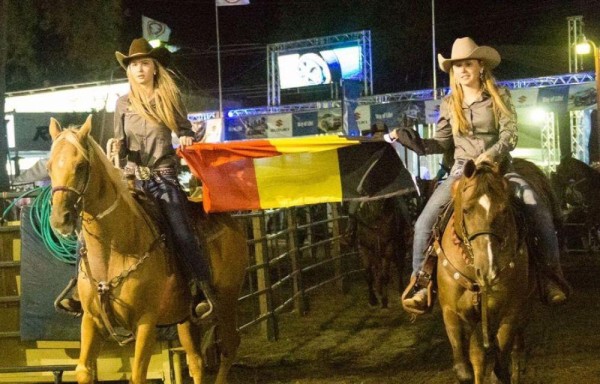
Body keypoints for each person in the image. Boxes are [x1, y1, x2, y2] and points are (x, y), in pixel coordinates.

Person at [391, 37, 570, 313]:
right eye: (458, 66)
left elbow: (510, 135)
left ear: (480, 66)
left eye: (468, 64)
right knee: (423, 223)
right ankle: (422, 283)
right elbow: (441, 143)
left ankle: (550, 276)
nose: (463, 70)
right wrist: (409, 140)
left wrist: (491, 155)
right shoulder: (450, 104)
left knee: (537, 207)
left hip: (500, 171)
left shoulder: (500, 96)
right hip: (461, 174)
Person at [57, 38, 217, 321]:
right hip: (130, 178)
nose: (139, 70)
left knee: (181, 231)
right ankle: (80, 291)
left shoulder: (169, 97)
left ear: (154, 68)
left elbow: (184, 129)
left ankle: (200, 290)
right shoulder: (123, 103)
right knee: (91, 227)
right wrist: (116, 147)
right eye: (134, 65)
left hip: (163, 177)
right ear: (128, 71)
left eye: (144, 64)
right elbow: (120, 139)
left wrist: (187, 136)